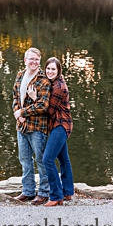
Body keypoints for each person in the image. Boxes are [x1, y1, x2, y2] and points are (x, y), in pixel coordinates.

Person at [12, 47, 52, 205]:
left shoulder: (43, 80)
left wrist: (23, 112)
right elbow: (15, 96)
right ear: (25, 60)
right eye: (31, 59)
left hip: (37, 127)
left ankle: (44, 192)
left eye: (37, 59)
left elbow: (43, 105)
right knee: (24, 159)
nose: (34, 62)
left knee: (40, 160)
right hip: (21, 126)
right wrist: (17, 112)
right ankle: (28, 191)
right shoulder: (21, 75)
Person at [40, 57, 76, 207]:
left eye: (53, 69)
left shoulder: (58, 88)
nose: (50, 71)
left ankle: (56, 195)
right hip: (62, 124)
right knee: (63, 160)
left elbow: (49, 111)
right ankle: (67, 191)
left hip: (60, 125)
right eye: (48, 68)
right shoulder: (54, 83)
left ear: (58, 70)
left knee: (47, 159)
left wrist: (36, 98)